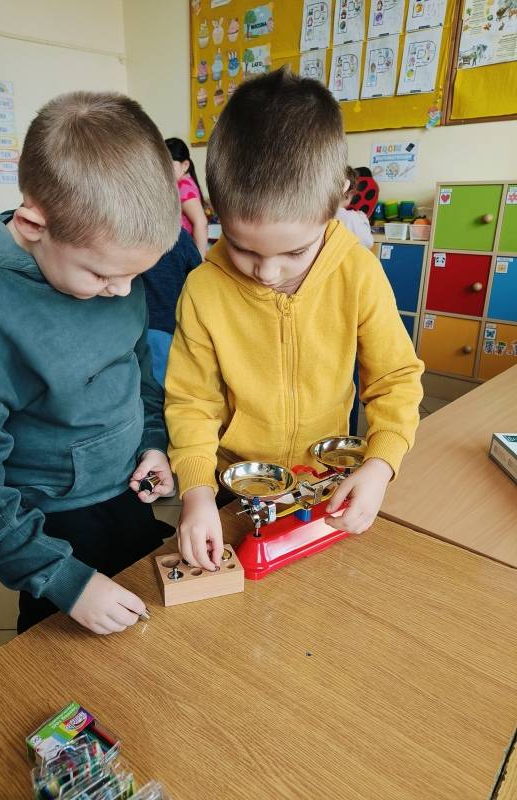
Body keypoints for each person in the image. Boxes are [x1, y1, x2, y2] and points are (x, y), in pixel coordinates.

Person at [0, 92, 181, 634]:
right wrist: (62, 579)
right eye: (102, 275)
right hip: (50, 521)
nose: (122, 291)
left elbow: (137, 372)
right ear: (34, 225)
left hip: (126, 489)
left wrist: (153, 441)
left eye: (135, 275)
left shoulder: (112, 265)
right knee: (60, 648)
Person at [165, 68, 424, 571]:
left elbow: (395, 379)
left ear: (338, 201)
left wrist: (380, 464)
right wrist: (195, 491)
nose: (267, 272)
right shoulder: (203, 289)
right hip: (234, 488)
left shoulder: (357, 272)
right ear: (217, 209)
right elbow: (191, 401)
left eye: (294, 251)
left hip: (328, 481)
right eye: (241, 247)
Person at [142, 229, 202, 386]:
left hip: (137, 322)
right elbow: (197, 274)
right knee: (165, 383)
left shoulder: (127, 232)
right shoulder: (179, 236)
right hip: (169, 324)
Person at [165, 137, 209, 255]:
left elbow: (201, 222)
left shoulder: (184, 187)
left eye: (169, 165)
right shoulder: (183, 184)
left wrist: (199, 258)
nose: (164, 171)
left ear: (185, 165)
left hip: (184, 253)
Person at [336, 166, 374, 249]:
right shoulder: (352, 217)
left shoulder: (318, 214)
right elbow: (368, 243)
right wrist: (364, 219)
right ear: (350, 192)